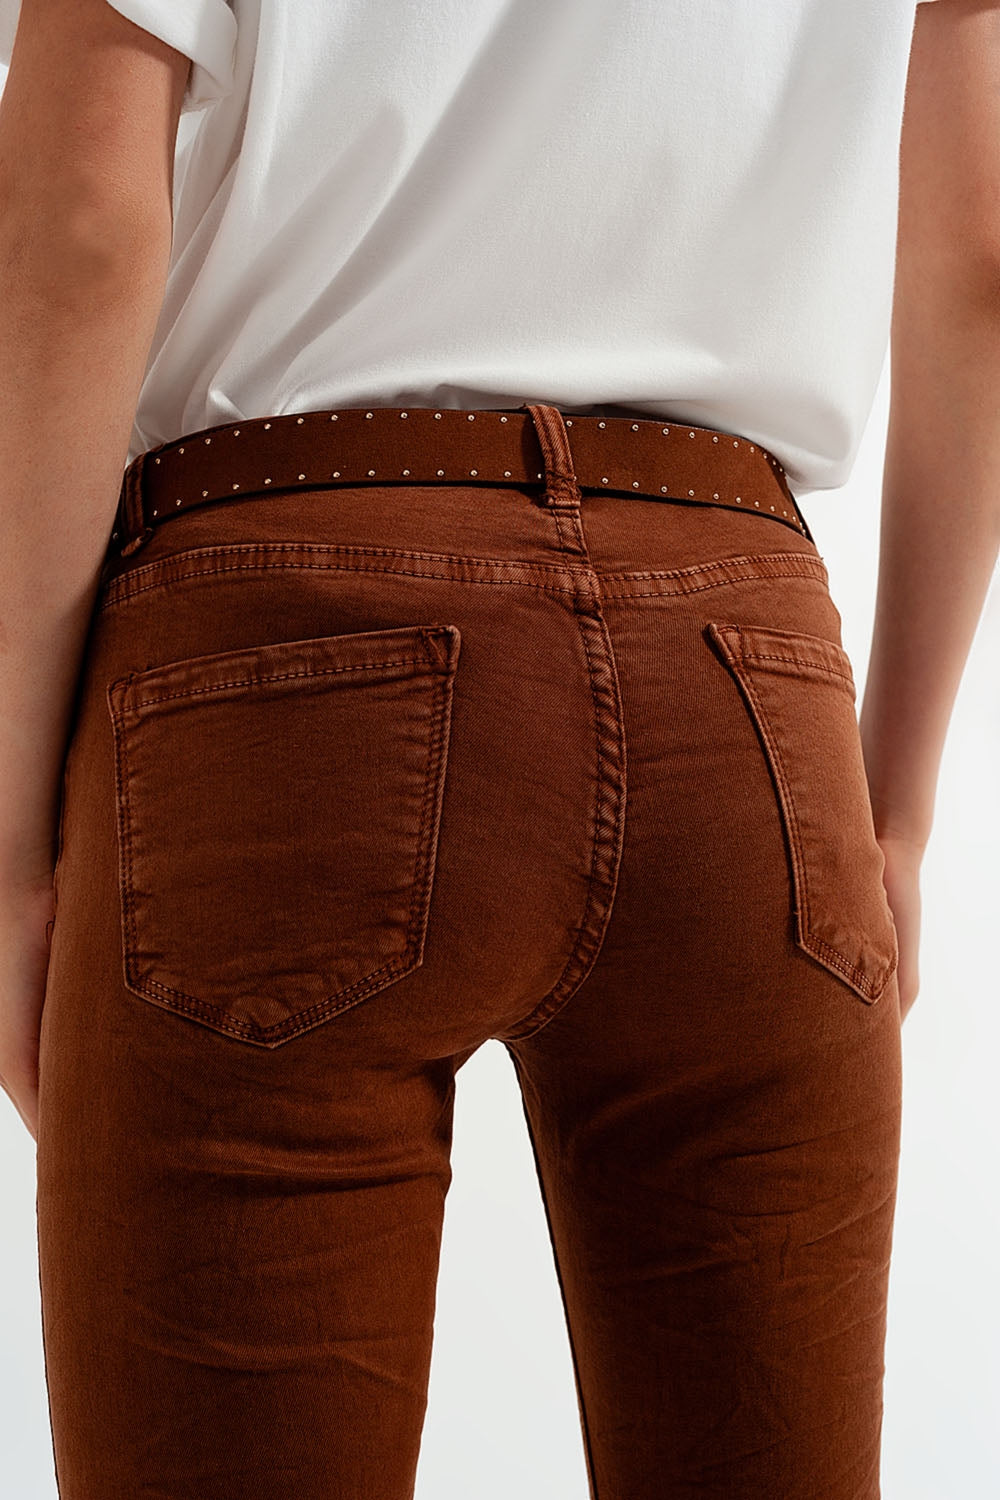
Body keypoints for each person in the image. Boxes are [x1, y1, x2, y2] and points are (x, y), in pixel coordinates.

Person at [0, 1, 995, 1496]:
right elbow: (978, 269)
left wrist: (12, 837)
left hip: (281, 661)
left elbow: (80, 219)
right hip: (742, 677)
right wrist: (898, 800)